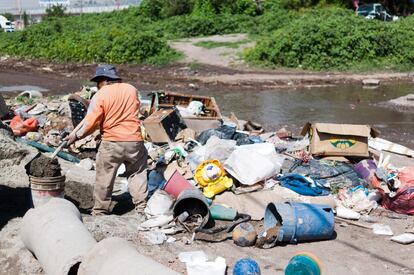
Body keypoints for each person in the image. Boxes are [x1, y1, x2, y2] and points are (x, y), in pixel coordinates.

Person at [65, 65, 148, 216]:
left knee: (105, 175)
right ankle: (141, 207)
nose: (97, 86)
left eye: (98, 83)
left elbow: (91, 122)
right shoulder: (131, 89)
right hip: (134, 140)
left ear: (104, 80)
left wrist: (76, 136)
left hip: (112, 141)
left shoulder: (101, 94)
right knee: (137, 173)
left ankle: (100, 210)